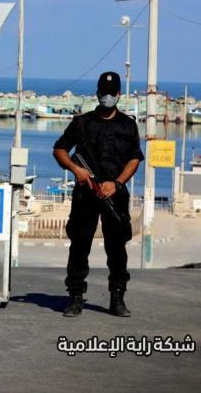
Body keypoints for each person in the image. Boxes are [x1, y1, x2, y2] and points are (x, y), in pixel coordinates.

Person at [52, 71, 144, 317]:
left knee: (117, 248)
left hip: (115, 195)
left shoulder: (128, 125)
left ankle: (117, 298)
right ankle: (75, 297)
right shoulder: (82, 123)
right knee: (79, 246)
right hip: (86, 194)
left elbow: (134, 159)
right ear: (97, 93)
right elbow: (60, 149)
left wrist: (117, 183)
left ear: (119, 94)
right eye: (103, 92)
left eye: (111, 93)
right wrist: (76, 170)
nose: (107, 97)